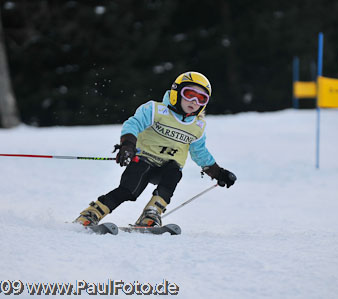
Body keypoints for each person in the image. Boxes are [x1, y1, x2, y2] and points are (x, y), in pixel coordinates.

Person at [75, 71, 237, 227]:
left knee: (174, 173)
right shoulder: (156, 110)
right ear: (176, 93)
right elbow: (134, 123)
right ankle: (92, 213)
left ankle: (151, 213)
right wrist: (128, 145)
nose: (194, 101)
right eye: (189, 94)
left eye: (201, 98)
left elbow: (199, 152)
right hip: (142, 160)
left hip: (166, 168)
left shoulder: (197, 126)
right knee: (129, 191)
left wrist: (218, 172)